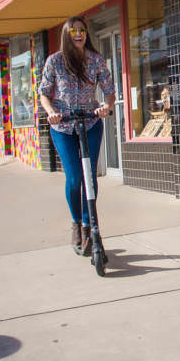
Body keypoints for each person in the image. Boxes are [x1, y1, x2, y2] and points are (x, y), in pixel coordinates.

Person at [39, 16, 116, 254]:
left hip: (90, 123)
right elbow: (43, 93)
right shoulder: (55, 61)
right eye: (74, 31)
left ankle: (88, 224)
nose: (79, 34)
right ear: (66, 34)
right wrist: (51, 112)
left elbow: (109, 91)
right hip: (63, 126)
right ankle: (77, 223)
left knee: (89, 177)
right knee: (74, 178)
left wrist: (105, 106)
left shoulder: (96, 60)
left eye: (83, 30)